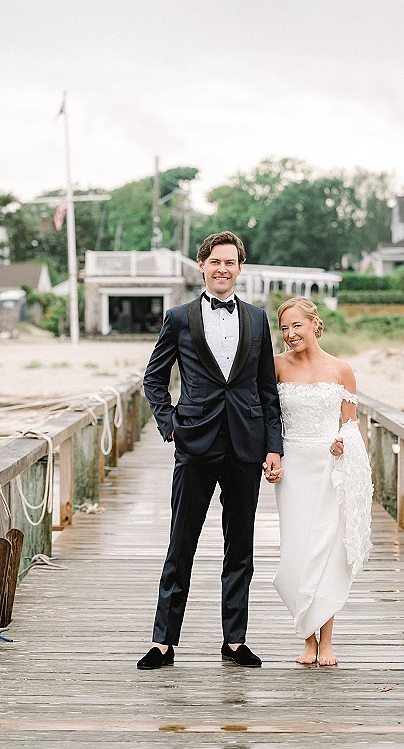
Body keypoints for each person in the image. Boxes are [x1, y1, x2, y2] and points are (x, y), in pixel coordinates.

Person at [137, 232, 283, 670]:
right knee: (181, 544)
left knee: (240, 547)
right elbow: (154, 380)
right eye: (215, 261)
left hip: (245, 445)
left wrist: (273, 447)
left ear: (240, 269)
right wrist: (171, 428)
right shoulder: (179, 318)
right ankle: (164, 641)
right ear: (202, 265)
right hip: (195, 444)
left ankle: (234, 641)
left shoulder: (257, 319)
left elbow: (267, 390)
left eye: (231, 262)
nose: (223, 269)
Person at [273, 297, 374, 666]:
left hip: (329, 468)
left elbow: (350, 425)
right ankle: (306, 637)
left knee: (327, 553)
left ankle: (325, 640)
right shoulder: (276, 366)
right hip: (293, 469)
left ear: (315, 324)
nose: (290, 334)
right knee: (298, 553)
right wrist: (270, 459)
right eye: (284, 327)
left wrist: (341, 444)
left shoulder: (341, 369)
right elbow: (267, 417)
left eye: (297, 325)